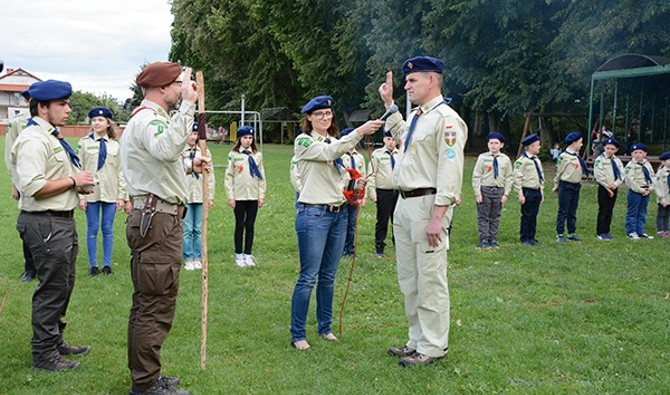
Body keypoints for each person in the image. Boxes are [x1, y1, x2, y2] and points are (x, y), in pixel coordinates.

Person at [120, 62, 210, 395]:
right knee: (155, 303)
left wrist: (189, 163)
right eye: (179, 85)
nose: (182, 90)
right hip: (158, 222)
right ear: (162, 87)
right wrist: (188, 106)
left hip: (154, 218)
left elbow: (158, 163)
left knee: (147, 301)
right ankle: (145, 384)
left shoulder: (145, 121)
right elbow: (164, 147)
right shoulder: (148, 120)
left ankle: (144, 376)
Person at [379, 56, 467, 367]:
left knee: (430, 278)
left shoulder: (447, 119)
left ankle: (433, 346)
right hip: (404, 205)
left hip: (428, 205)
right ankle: (415, 339)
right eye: (406, 81)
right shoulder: (419, 117)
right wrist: (390, 104)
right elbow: (404, 137)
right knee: (410, 278)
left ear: (432, 80)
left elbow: (450, 171)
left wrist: (438, 216)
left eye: (413, 81)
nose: (407, 86)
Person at [10, 80, 96, 371]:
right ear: (42, 107)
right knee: (52, 289)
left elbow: (51, 179)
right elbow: (32, 186)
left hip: (60, 220)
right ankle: (44, 355)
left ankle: (54, 340)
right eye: (62, 104)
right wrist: (74, 181)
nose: (68, 109)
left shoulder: (51, 137)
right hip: (45, 222)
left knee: (64, 285)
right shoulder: (34, 139)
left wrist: (76, 188)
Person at [290, 95, 383, 351]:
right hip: (314, 214)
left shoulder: (334, 142)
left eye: (328, 113)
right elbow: (330, 153)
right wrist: (360, 132)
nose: (325, 118)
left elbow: (338, 179)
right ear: (308, 117)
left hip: (338, 213)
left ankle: (325, 328)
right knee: (308, 277)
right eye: (319, 114)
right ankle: (298, 333)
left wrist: (354, 184)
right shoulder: (304, 141)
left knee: (329, 276)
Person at [76, 107, 126, 276]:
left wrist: (121, 196)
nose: (96, 123)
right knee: (92, 229)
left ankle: (106, 264)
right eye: (94, 120)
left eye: (100, 120)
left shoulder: (115, 145)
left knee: (107, 228)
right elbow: (79, 169)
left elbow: (121, 172)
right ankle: (93, 266)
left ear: (108, 123)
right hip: (90, 193)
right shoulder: (84, 143)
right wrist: (81, 196)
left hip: (110, 193)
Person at [4, 94, 36, 283]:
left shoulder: (53, 123)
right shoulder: (18, 123)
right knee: (27, 227)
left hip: (48, 184)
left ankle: (44, 267)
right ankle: (30, 268)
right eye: (31, 98)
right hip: (25, 183)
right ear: (27, 102)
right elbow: (10, 156)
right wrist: (16, 183)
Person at [224, 125, 266, 267]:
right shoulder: (234, 155)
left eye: (250, 138)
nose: (248, 141)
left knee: (250, 225)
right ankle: (238, 255)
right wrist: (231, 196)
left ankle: (248, 254)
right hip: (239, 195)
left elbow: (262, 177)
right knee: (240, 224)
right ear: (240, 139)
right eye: (245, 138)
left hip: (253, 195)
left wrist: (261, 195)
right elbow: (229, 176)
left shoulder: (257, 155)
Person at [471, 132, 513, 249]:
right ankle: (483, 240)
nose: (493, 145)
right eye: (491, 143)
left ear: (501, 145)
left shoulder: (505, 159)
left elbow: (509, 177)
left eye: (496, 143)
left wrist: (506, 193)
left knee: (495, 216)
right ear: (488, 144)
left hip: (499, 190)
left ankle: (493, 239)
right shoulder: (483, 158)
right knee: (483, 216)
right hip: (485, 189)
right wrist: (477, 193)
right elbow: (476, 176)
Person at [182, 130, 215, 271]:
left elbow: (211, 175)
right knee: (187, 228)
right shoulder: (180, 151)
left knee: (198, 228)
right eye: (191, 134)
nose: (193, 137)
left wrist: (210, 196)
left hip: (201, 194)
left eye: (196, 134)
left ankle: (198, 256)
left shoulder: (204, 151)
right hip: (186, 195)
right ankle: (188, 258)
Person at [367, 130, 399, 258]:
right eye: (389, 139)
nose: (391, 142)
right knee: (382, 221)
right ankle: (379, 247)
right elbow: (371, 174)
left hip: (398, 192)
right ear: (384, 140)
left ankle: (399, 246)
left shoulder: (400, 154)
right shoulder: (377, 154)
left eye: (393, 139)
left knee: (398, 221)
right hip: (383, 192)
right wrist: (372, 192)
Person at [552, 132, 588, 242]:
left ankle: (571, 232)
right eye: (580, 142)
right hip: (566, 185)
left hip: (576, 186)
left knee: (573, 211)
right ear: (574, 143)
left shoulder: (576, 155)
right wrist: (556, 186)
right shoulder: (564, 156)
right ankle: (560, 233)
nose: (582, 145)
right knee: (563, 210)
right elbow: (559, 172)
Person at [339, 127, 367, 257]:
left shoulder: (359, 157)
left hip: (355, 194)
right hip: (343, 193)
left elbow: (364, 176)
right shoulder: (339, 156)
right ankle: (340, 248)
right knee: (342, 222)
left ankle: (350, 249)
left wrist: (364, 196)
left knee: (352, 223)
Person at [513, 133, 545, 245]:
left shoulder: (536, 160)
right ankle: (524, 237)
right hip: (528, 191)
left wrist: (541, 192)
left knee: (534, 215)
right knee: (527, 215)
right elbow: (517, 179)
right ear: (530, 147)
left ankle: (532, 236)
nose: (539, 147)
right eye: (537, 145)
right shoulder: (522, 161)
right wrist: (520, 195)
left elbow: (540, 176)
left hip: (536, 191)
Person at [593, 138, 625, 240]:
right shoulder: (600, 160)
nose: (609, 150)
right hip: (604, 188)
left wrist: (615, 184)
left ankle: (607, 230)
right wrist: (608, 187)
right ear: (604, 148)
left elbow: (622, 174)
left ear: (616, 150)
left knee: (610, 210)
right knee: (603, 209)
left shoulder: (617, 161)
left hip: (614, 188)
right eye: (607, 148)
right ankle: (600, 232)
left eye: (612, 149)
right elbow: (599, 175)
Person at [623, 143, 655, 239]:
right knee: (633, 211)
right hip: (635, 191)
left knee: (642, 212)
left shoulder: (647, 164)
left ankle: (640, 230)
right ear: (632, 154)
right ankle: (631, 231)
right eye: (635, 152)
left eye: (640, 152)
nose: (638, 155)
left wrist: (650, 188)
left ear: (645, 154)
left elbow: (652, 176)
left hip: (646, 190)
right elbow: (629, 180)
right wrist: (641, 190)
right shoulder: (630, 165)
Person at [654, 152, 670, 238]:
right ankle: (660, 230)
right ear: (663, 162)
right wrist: (662, 198)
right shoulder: (661, 173)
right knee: (661, 214)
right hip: (663, 197)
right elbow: (658, 186)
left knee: (667, 215)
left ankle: (666, 230)